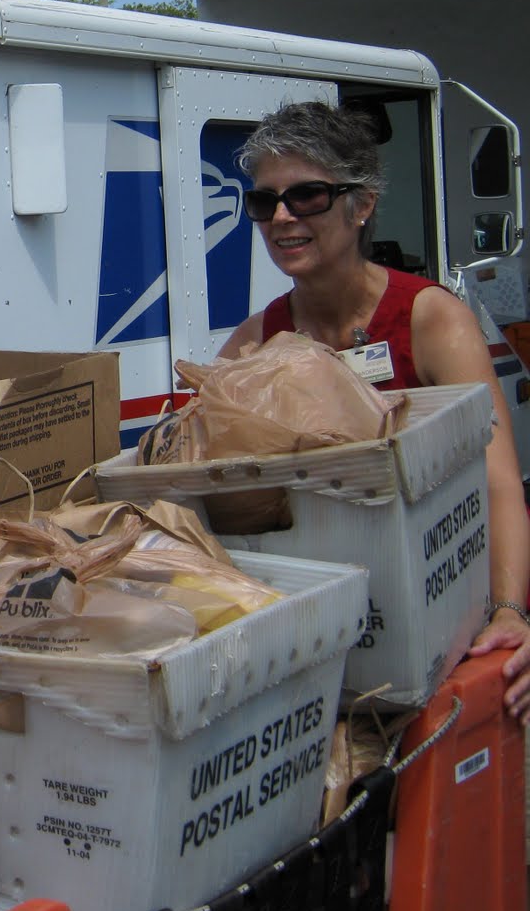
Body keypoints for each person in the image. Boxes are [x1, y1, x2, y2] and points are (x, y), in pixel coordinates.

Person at [219, 100, 530, 721]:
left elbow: (498, 480)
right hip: (317, 641)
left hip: (439, 627)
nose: (281, 218)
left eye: (306, 196)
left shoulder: (430, 319)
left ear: (361, 205)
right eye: (264, 202)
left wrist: (510, 612)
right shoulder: (254, 343)